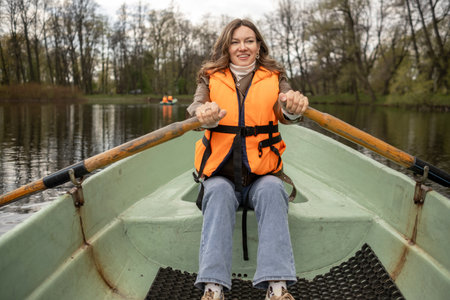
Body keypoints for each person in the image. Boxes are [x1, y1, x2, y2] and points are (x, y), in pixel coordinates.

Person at [187, 19, 309, 300]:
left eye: (249, 41)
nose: (242, 47)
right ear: (226, 47)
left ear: (258, 46)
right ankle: (213, 287)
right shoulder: (209, 76)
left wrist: (293, 107)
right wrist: (201, 113)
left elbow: (285, 107)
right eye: (235, 41)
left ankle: (277, 287)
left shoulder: (275, 76)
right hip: (222, 174)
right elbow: (195, 106)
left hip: (260, 175)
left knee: (273, 189)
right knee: (216, 192)